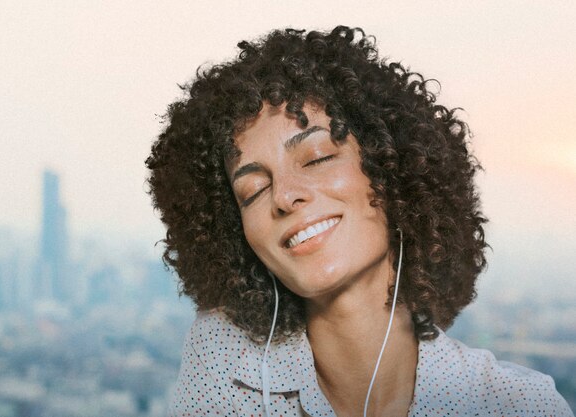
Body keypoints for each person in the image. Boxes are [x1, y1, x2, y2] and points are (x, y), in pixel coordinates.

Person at [145, 26, 573, 417]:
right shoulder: (226, 359)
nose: (284, 195)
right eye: (253, 190)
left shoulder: (517, 405)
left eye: (317, 157)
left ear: (392, 168)